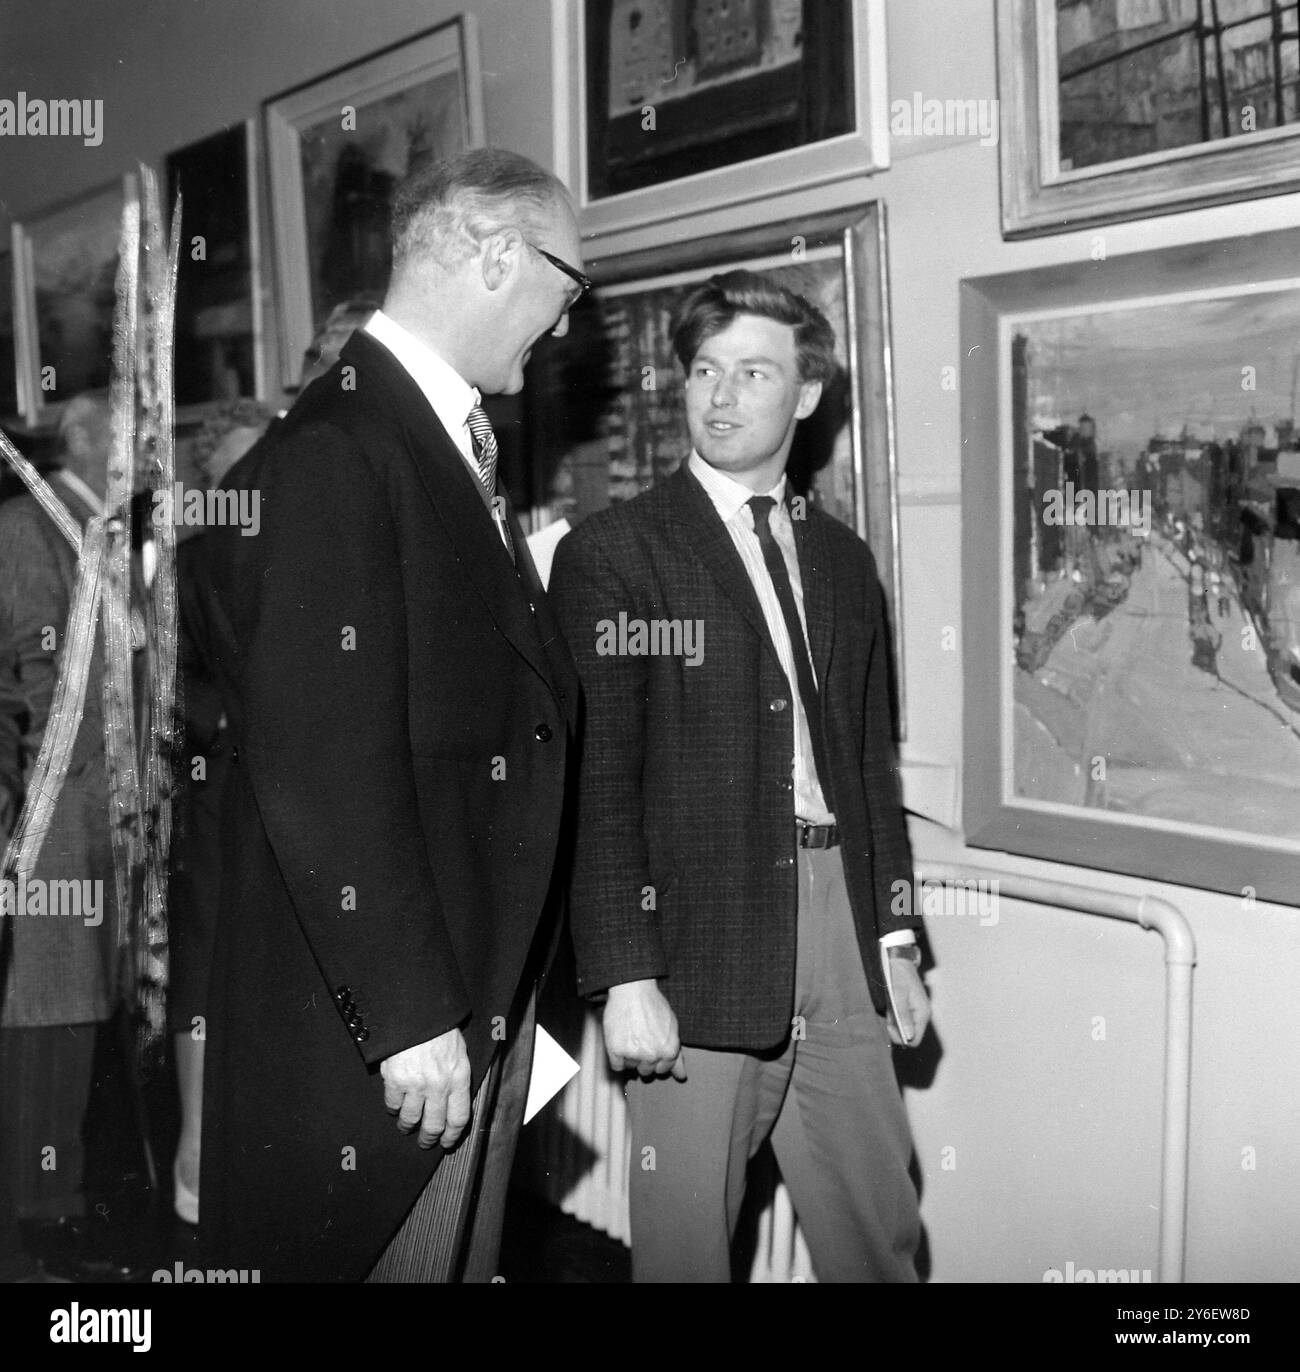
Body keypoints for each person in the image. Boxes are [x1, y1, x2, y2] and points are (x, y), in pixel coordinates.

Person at [197, 148, 582, 1282]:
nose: (563, 326)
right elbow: (322, 758)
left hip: (473, 994)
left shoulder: (419, 434)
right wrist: (413, 1018)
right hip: (406, 1036)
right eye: (569, 288)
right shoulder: (342, 448)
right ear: (499, 254)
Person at [550, 271, 929, 1283]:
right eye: (703, 371)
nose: (718, 397)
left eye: (751, 372)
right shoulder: (616, 553)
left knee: (877, 1233)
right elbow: (600, 780)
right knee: (682, 1247)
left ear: (805, 394)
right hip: (694, 938)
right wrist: (626, 973)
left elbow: (866, 764)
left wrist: (893, 929)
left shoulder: (843, 561)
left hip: (840, 925)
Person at [0, 392, 144, 1281]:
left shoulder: (104, 537)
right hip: (49, 834)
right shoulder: (28, 527)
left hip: (103, 829)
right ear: (87, 443)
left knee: (83, 1029)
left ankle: (55, 1221)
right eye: (135, 436)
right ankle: (30, 1240)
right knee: (45, 1031)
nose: (152, 456)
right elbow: (23, 681)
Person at [167, 401, 275, 1227]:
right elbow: (169, 690)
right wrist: (235, 720)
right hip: (220, 799)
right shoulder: (188, 564)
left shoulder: (306, 553)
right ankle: (196, 1161)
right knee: (206, 968)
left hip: (291, 803)